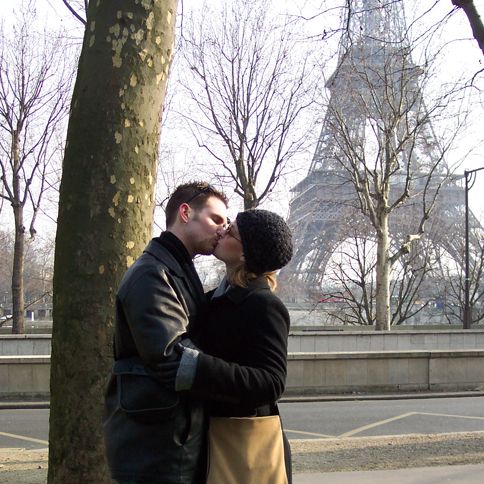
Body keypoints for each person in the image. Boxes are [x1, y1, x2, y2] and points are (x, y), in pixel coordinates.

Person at [103, 181, 228, 484]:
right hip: (157, 445)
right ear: (185, 213)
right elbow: (171, 357)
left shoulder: (172, 268)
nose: (222, 230)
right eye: (216, 219)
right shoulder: (152, 273)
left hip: (164, 436)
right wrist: (240, 379)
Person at [175, 209, 294, 483]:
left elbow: (272, 382)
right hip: (216, 438)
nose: (222, 230)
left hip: (242, 446)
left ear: (245, 254)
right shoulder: (216, 299)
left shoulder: (265, 306)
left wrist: (196, 367)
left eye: (232, 231)